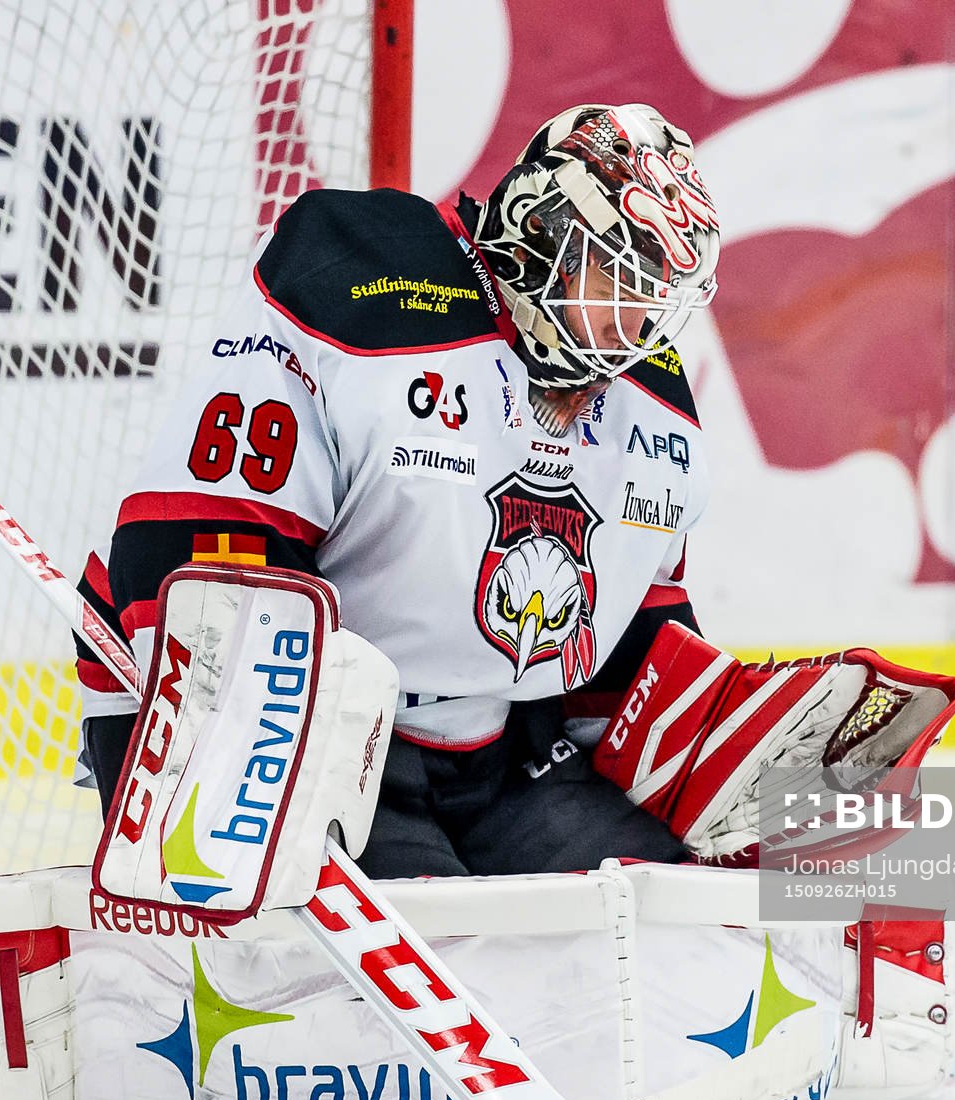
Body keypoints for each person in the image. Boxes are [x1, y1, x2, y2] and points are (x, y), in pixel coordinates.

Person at [74, 103, 724, 878]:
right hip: (309, 737)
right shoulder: (366, 288)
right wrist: (224, 776)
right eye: (615, 276)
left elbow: (637, 646)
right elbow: (201, 540)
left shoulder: (654, 410)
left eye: (654, 292)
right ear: (539, 230)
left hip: (505, 759)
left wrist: (756, 776)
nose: (636, 321)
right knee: (423, 958)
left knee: (686, 904)